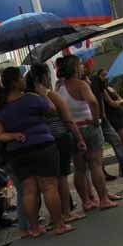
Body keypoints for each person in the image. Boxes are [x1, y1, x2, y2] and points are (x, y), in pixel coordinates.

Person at [0, 67, 74, 237]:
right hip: (42, 146)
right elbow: (52, 110)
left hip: (17, 152)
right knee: (49, 186)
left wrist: (13, 135)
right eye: (21, 78)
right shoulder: (31, 98)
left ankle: (34, 228)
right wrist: (43, 94)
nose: (23, 81)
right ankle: (59, 224)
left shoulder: (0, 108)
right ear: (15, 83)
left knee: (28, 191)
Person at [25, 63, 86, 223]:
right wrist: (79, 138)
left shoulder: (27, 98)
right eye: (48, 74)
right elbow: (68, 120)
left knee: (48, 183)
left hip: (39, 143)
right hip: (59, 138)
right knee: (61, 177)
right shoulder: (49, 95)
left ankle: (55, 216)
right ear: (43, 77)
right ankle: (66, 212)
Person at [56, 56, 117, 212]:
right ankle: (103, 199)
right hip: (89, 126)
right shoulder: (81, 85)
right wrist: (96, 119)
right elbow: (93, 101)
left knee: (80, 169)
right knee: (95, 164)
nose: (82, 67)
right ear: (74, 68)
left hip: (73, 129)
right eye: (79, 65)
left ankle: (86, 202)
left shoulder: (59, 88)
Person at [94, 70, 123, 178]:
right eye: (103, 75)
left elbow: (120, 100)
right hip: (112, 117)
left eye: (107, 75)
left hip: (119, 116)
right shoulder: (102, 90)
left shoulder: (111, 88)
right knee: (121, 140)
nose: (106, 77)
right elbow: (113, 103)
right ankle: (122, 165)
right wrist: (119, 102)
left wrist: (119, 101)